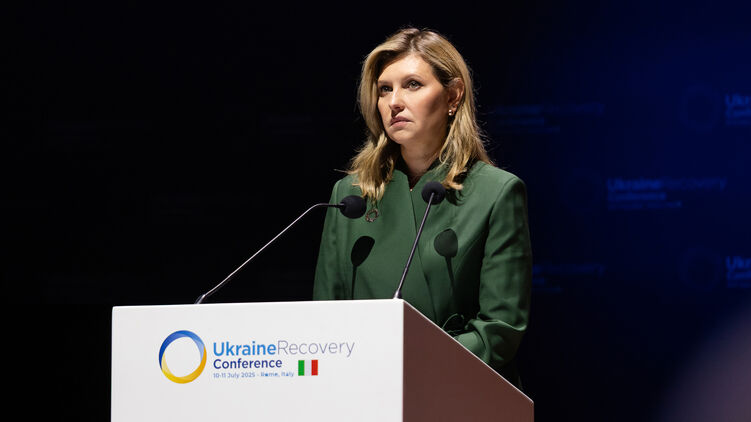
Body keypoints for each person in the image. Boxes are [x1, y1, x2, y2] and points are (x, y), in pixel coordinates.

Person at [313, 27, 532, 387]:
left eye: (412, 85)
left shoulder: (497, 192)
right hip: (365, 389)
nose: (394, 102)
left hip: (458, 387)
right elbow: (325, 320)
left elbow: (499, 329)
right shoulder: (350, 195)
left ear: (453, 96)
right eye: (385, 89)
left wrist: (416, 363)